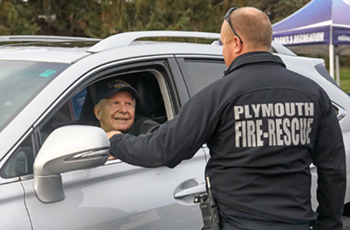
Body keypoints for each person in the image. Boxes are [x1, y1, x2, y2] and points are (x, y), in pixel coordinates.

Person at [107, 7, 346, 230]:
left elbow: (163, 148)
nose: (223, 52)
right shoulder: (313, 94)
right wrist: (328, 224)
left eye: (223, 44)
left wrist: (116, 141)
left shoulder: (217, 95)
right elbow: (333, 170)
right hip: (297, 222)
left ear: (237, 43)